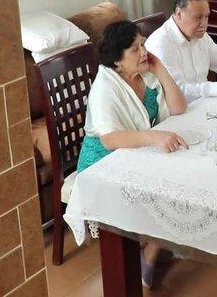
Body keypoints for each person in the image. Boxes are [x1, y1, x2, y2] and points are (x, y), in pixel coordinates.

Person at [77, 21, 188, 288]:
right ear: (117, 60)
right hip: (104, 161)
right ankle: (149, 250)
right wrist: (154, 136)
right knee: (169, 186)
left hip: (136, 151)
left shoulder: (145, 73)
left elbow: (179, 108)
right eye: (135, 48)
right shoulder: (106, 87)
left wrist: (160, 69)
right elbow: (110, 138)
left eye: (143, 44)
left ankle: (155, 242)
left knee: (183, 173)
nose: (143, 52)